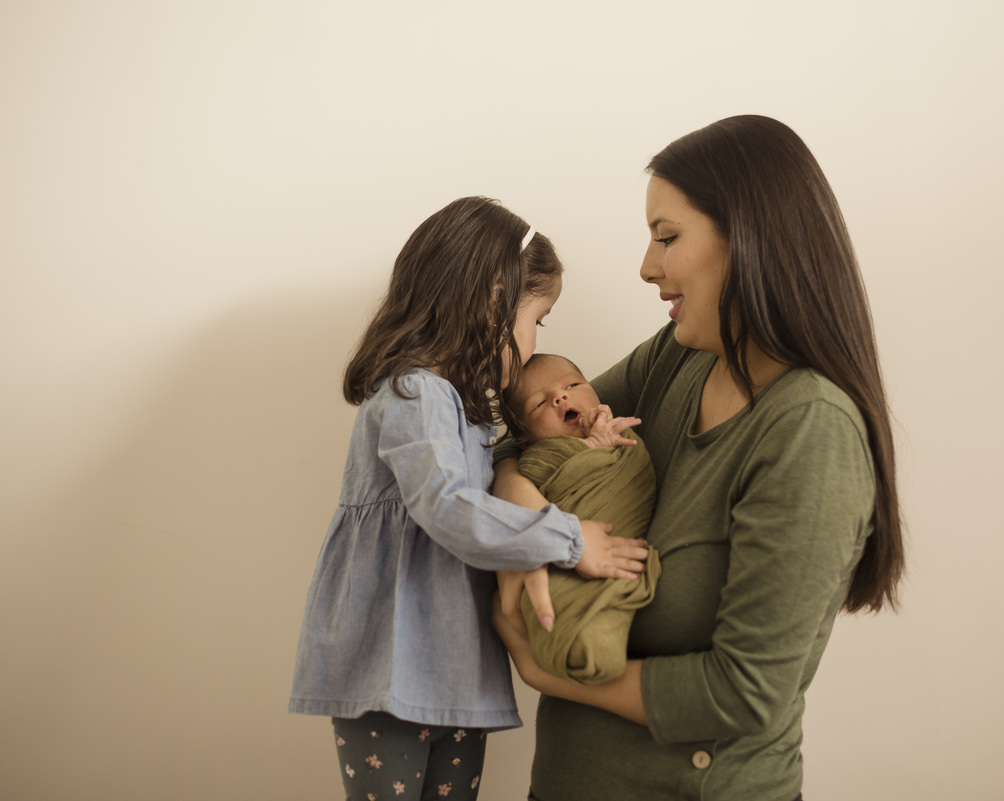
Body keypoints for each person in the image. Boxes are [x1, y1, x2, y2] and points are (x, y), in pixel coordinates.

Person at [491, 116, 905, 801]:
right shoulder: (679, 357)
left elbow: (745, 693)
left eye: (667, 237)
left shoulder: (810, 429)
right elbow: (522, 430)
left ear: (750, 240)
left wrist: (546, 673)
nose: (646, 266)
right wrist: (527, 510)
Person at [288, 197, 649, 801]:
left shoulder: (467, 413)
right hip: (391, 671)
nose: (533, 343)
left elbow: (508, 477)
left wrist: (587, 441)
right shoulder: (414, 395)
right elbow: (449, 508)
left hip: (458, 677)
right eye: (538, 320)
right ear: (493, 304)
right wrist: (568, 539)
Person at [501, 353, 662, 685]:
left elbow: (636, 472)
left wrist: (603, 441)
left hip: (614, 536)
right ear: (525, 439)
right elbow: (534, 471)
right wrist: (591, 446)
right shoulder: (537, 458)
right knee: (558, 603)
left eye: (573, 385)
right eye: (539, 404)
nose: (560, 397)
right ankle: (578, 637)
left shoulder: (619, 432)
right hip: (566, 556)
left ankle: (589, 633)